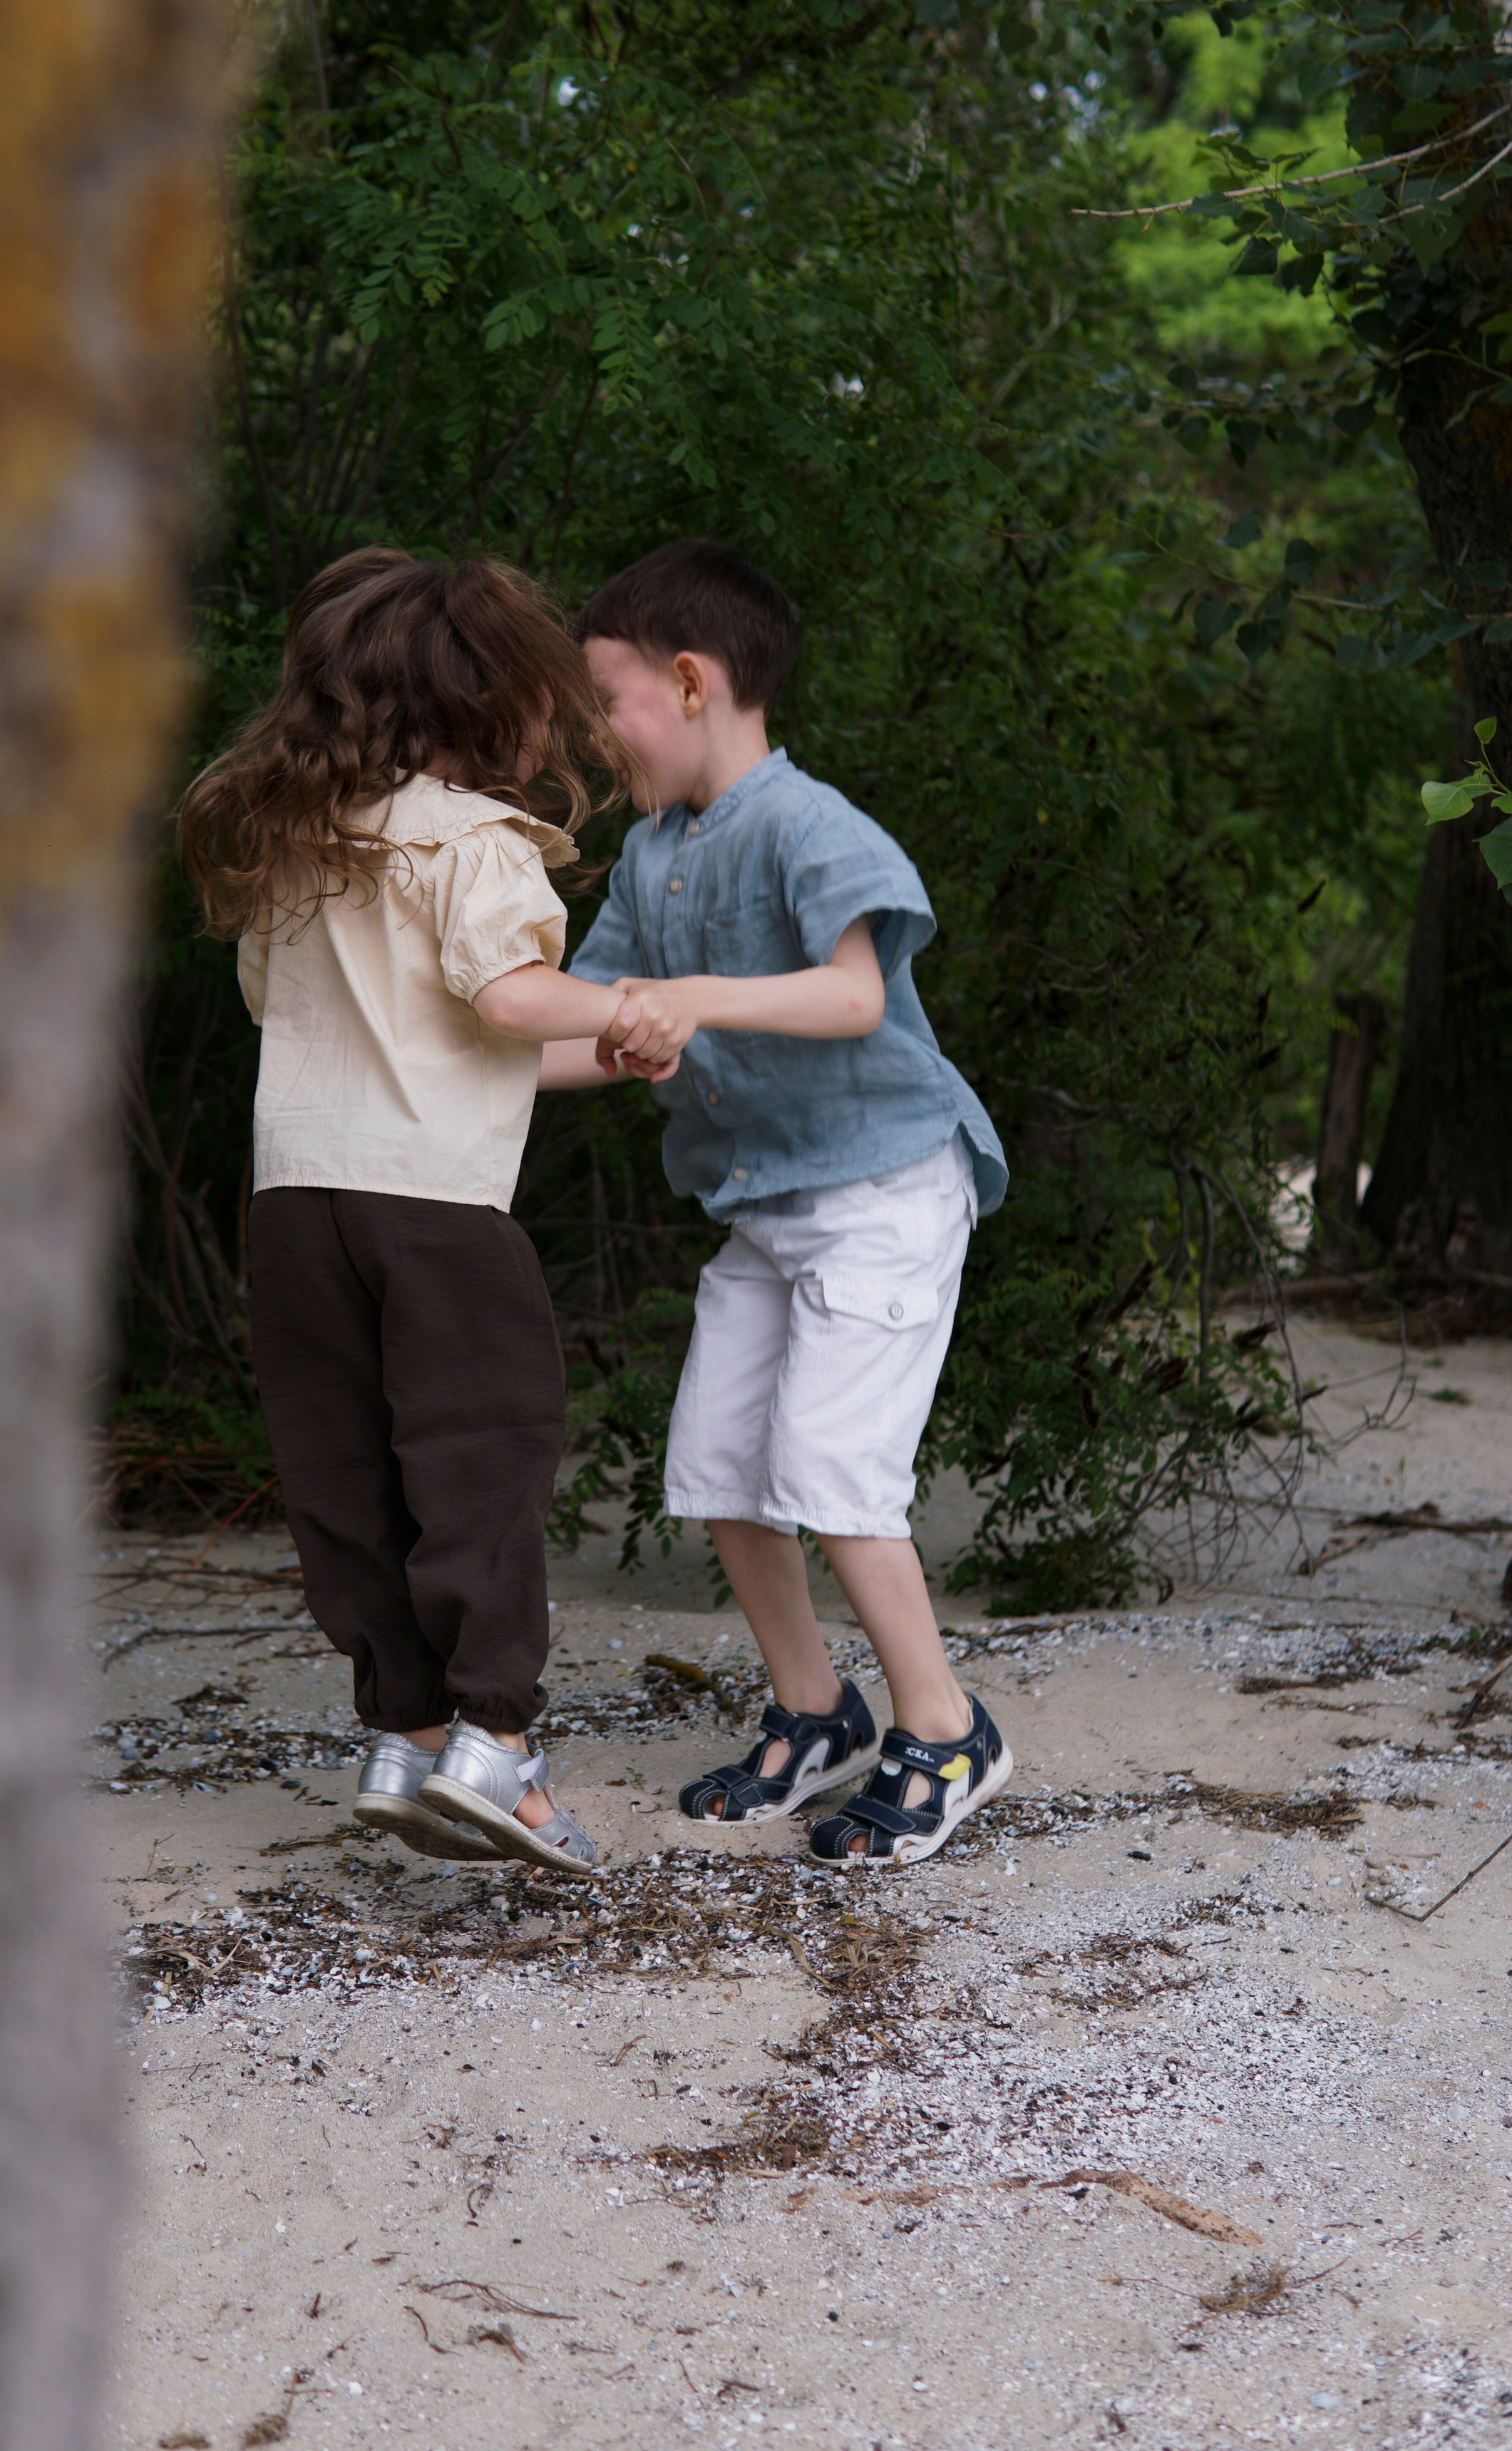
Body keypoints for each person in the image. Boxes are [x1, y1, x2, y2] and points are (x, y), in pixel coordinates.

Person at [180, 546, 672, 1880]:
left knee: (345, 1474)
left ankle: (402, 1734)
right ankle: (497, 1752)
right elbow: (509, 1001)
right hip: (440, 1221)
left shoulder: (308, 854)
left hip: (298, 1211)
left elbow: (424, 1039)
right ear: (487, 706)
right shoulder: (477, 842)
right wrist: (633, 1006)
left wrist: (600, 1056)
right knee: (479, 1463)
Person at [540, 538, 1014, 1864]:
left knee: (833, 1468)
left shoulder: (808, 824)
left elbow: (855, 995)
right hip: (768, 1209)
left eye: (608, 705)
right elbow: (598, 1024)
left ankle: (947, 1729)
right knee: (723, 1465)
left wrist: (696, 1003)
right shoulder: (647, 856)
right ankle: (815, 1709)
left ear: (691, 683)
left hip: (883, 1192)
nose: (598, 737)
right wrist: (474, 1070)